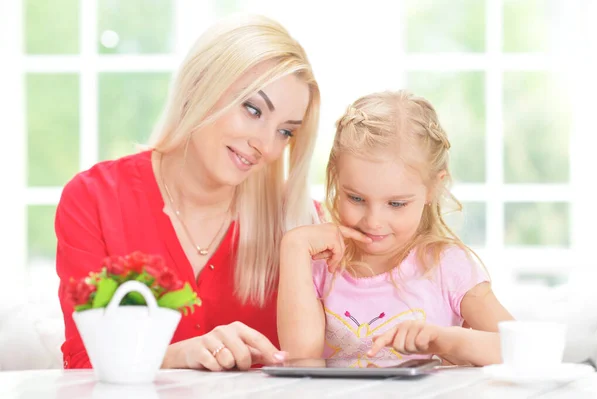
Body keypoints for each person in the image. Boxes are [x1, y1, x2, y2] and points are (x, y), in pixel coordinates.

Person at [55, 14, 321, 371]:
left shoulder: (298, 225)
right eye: (253, 109)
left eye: (285, 132)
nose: (265, 146)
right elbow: (83, 363)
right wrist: (175, 356)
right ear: (200, 85)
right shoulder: (95, 201)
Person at [277, 90, 514, 367]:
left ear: (433, 188)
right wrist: (293, 247)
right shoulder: (321, 262)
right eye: (356, 198)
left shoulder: (446, 266)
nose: (373, 221)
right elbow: (302, 360)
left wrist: (446, 340)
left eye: (396, 203)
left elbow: (519, 349)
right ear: (334, 177)